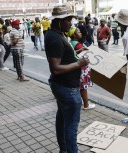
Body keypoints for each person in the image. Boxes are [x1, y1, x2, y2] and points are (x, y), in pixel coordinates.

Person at [44, 5, 89, 153]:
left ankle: (64, 149)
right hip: (67, 89)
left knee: (62, 118)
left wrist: (78, 52)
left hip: (63, 86)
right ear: (59, 21)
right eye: (68, 20)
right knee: (71, 126)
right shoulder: (55, 38)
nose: (70, 23)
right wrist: (79, 63)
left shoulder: (57, 34)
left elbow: (63, 57)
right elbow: (56, 68)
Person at [65, 27, 95, 110]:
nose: (81, 33)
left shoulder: (72, 42)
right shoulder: (77, 44)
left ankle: (82, 101)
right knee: (83, 87)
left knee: (80, 86)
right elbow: (84, 55)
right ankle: (86, 105)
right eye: (78, 32)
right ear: (74, 35)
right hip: (82, 68)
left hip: (78, 67)